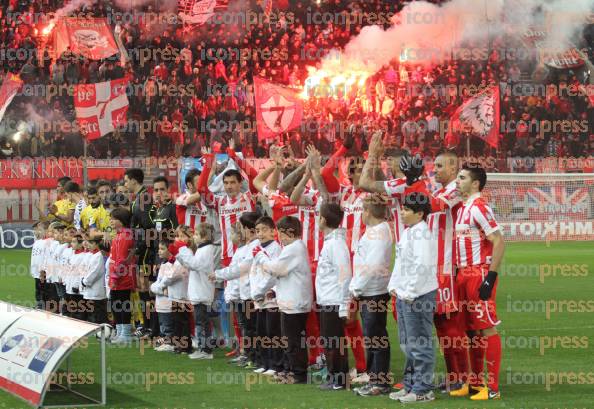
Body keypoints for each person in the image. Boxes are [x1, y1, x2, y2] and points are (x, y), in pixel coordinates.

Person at [450, 164, 505, 401]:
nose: (457, 181)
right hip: (462, 274)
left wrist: (490, 277)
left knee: (486, 327)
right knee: (470, 331)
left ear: (475, 184)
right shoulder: (463, 208)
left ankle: (492, 387)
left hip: (478, 273)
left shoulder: (479, 207)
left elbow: (499, 240)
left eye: (461, 178)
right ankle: (474, 383)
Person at [388, 192, 438, 403]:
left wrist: (408, 292)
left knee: (420, 343)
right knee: (407, 343)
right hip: (405, 294)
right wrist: (394, 285)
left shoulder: (422, 234)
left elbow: (423, 266)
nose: (402, 212)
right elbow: (401, 262)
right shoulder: (409, 232)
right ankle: (411, 385)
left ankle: (423, 389)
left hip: (417, 295)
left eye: (407, 209)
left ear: (419, 214)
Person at [428, 151, 469, 392]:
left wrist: (412, 189)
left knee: (452, 327)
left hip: (448, 268)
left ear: (453, 170)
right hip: (435, 269)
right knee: (442, 326)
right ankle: (453, 376)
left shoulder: (456, 189)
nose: (436, 169)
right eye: (435, 165)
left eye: (440, 165)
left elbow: (434, 206)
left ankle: (463, 377)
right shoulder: (439, 190)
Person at [259, 216, 312, 385]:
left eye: (280, 232)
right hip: (292, 301)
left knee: (293, 341)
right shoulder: (294, 247)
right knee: (291, 340)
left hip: (294, 303)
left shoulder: (293, 248)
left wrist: (261, 258)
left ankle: (298, 374)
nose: (278, 235)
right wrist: (274, 291)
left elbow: (277, 269)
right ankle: (291, 370)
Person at [350, 195, 393, 397]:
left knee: (377, 338)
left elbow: (373, 266)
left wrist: (356, 288)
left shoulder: (380, 232)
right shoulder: (374, 231)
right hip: (368, 291)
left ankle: (381, 382)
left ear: (368, 211)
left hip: (374, 293)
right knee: (372, 338)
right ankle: (374, 378)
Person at [315, 203, 352, 390]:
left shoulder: (336, 244)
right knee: (329, 341)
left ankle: (339, 379)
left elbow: (345, 275)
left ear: (323, 219)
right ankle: (335, 376)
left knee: (333, 342)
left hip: (334, 301)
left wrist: (344, 304)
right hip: (327, 300)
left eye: (318, 216)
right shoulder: (331, 242)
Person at [176, 223, 220, 359]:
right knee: (200, 322)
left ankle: (205, 350)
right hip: (198, 291)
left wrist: (183, 249)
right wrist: (180, 255)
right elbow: (191, 264)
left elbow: (195, 265)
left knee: (202, 322)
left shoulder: (207, 250)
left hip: (202, 291)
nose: (193, 237)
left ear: (204, 236)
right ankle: (202, 347)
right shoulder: (202, 249)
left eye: (196, 234)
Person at [249, 216, 283, 376]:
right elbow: (254, 272)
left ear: (273, 231)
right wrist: (255, 292)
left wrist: (262, 291)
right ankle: (265, 363)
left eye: (264, 230)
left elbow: (273, 274)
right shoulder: (257, 248)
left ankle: (276, 365)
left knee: (273, 332)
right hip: (259, 297)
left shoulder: (275, 249)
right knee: (261, 331)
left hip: (270, 298)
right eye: (257, 231)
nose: (260, 234)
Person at [125, 168, 155, 339]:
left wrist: (139, 248)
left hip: (145, 251)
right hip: (142, 249)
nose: (125, 184)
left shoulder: (143, 199)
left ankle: (149, 327)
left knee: (146, 288)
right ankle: (146, 325)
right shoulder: (139, 198)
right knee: (142, 288)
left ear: (134, 181)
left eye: (126, 180)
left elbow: (147, 227)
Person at [108, 207, 136, 345]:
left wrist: (114, 277)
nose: (111, 221)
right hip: (118, 277)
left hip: (122, 278)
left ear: (122, 220)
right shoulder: (119, 235)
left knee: (122, 304)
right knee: (116, 304)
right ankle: (120, 332)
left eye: (114, 219)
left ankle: (125, 333)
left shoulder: (125, 236)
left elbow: (122, 260)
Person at [80, 236, 108, 325]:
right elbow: (83, 268)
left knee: (98, 314)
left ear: (97, 244)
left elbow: (95, 272)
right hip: (88, 290)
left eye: (91, 243)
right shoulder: (90, 255)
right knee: (91, 313)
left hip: (96, 289)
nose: (88, 245)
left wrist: (85, 281)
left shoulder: (99, 256)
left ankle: (102, 331)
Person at [30, 221, 50, 310]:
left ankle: (43, 306)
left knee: (43, 289)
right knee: (38, 289)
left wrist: (43, 270)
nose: (37, 232)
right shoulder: (37, 242)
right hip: (36, 270)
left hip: (42, 271)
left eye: (39, 230)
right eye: (37, 230)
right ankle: (39, 304)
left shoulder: (48, 242)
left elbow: (46, 258)